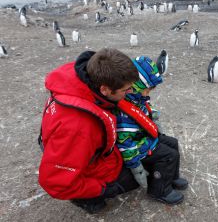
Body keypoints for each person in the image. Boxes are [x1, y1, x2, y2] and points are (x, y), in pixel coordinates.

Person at [38, 48, 141, 214]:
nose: (130, 93)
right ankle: (85, 198)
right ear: (105, 90)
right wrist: (101, 189)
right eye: (125, 90)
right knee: (133, 179)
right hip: (80, 163)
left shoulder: (82, 79)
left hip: (78, 151)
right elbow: (53, 182)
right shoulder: (79, 127)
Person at [115, 56, 188, 205]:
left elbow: (143, 108)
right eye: (146, 91)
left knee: (173, 143)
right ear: (135, 88)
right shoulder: (124, 115)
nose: (148, 94)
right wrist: (136, 167)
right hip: (138, 147)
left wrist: (151, 113)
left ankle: (171, 177)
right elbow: (125, 143)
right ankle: (159, 190)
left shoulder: (135, 100)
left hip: (146, 138)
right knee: (169, 156)